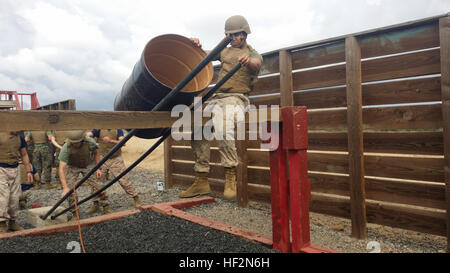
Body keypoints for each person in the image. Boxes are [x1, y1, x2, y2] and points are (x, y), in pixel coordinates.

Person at [179, 15, 262, 200]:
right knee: (198, 131)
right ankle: (201, 180)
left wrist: (248, 61)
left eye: (234, 35)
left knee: (223, 128)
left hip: (236, 98)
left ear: (243, 34)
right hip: (216, 98)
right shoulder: (224, 51)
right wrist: (195, 45)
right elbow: (204, 55)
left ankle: (230, 174)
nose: (231, 38)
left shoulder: (252, 53)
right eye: (227, 35)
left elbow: (257, 64)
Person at [58, 130, 112, 220]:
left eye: (77, 142)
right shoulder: (66, 147)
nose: (75, 144)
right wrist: (65, 187)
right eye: (73, 143)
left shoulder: (89, 141)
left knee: (99, 185)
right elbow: (61, 168)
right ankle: (75, 213)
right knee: (70, 190)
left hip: (88, 164)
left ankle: (105, 206)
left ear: (82, 140)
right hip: (73, 167)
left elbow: (96, 153)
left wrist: (98, 168)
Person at [86, 129, 142, 209]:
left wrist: (111, 140)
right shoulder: (99, 129)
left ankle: (136, 198)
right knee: (97, 181)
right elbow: (89, 134)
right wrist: (87, 137)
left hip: (115, 158)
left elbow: (123, 142)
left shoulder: (118, 130)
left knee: (124, 180)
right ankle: (96, 203)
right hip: (102, 158)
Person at [0, 131, 34, 233]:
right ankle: (1, 223)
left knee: (15, 197)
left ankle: (12, 222)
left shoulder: (20, 138)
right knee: (3, 197)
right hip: (1, 168)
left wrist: (29, 171)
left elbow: (24, 154)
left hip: (15, 168)